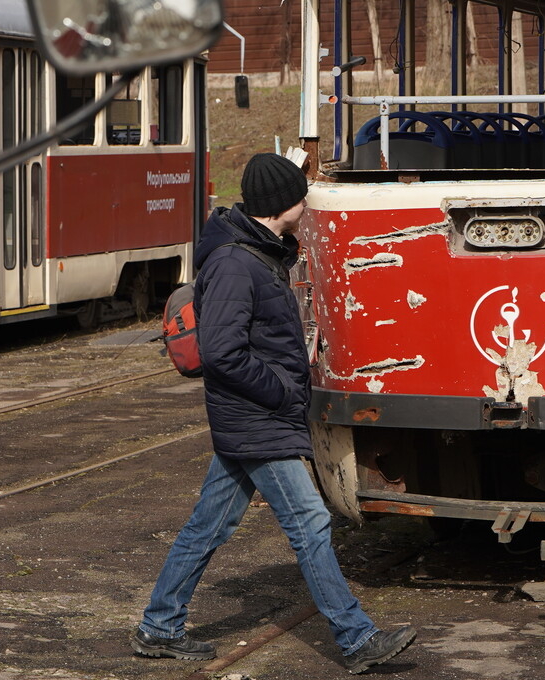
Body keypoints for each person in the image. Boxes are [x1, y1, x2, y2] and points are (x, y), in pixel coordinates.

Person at [132, 153, 416, 675]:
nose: (306, 203)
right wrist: (285, 393)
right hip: (258, 420)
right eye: (300, 195)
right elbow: (222, 352)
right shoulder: (237, 263)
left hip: (251, 420)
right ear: (281, 204)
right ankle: (356, 639)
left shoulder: (258, 254)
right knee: (309, 521)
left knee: (207, 527)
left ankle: (158, 626)